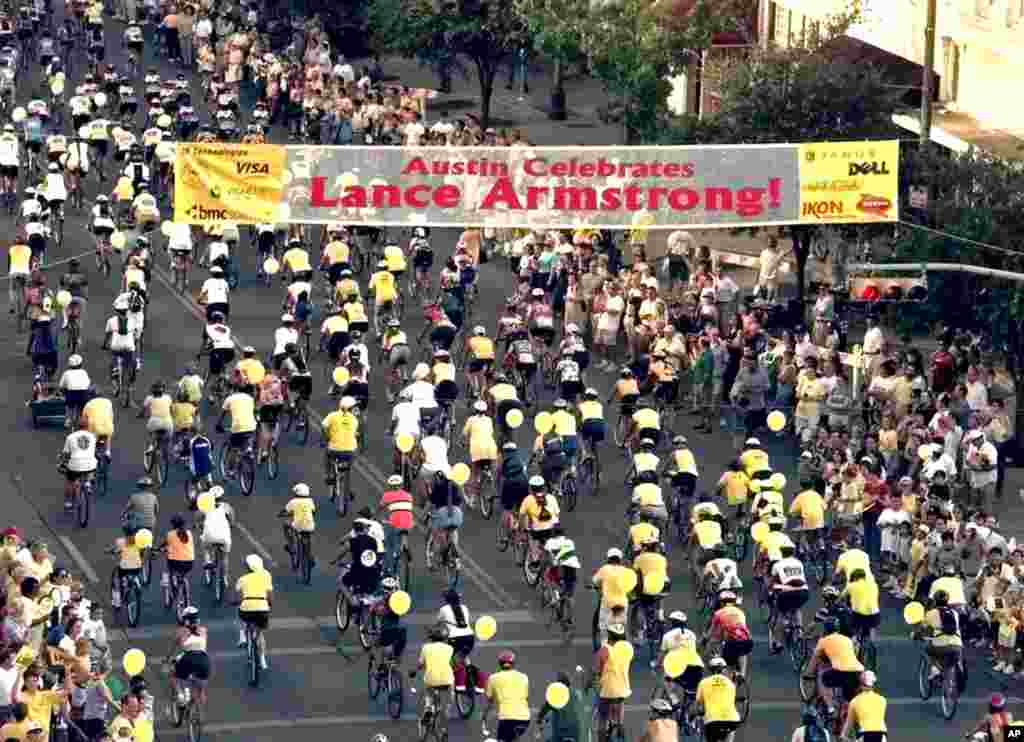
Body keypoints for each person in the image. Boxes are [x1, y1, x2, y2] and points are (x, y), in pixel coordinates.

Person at [806, 617, 864, 713]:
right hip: (858, 672)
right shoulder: (847, 639)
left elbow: (814, 658)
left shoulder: (823, 640)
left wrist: (808, 673)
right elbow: (854, 652)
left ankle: (830, 707)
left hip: (841, 671)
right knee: (848, 698)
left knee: (822, 677)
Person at [593, 622, 632, 740]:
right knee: (620, 702)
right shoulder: (628, 648)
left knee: (602, 718)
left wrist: (589, 683)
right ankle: (620, 726)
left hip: (608, 691)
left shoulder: (604, 650)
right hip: (623, 689)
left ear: (610, 635)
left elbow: (596, 671)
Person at [416, 623, 454, 740]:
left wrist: (415, 670)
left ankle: (428, 709)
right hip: (446, 681)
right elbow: (452, 664)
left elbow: (421, 664)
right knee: (446, 704)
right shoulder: (450, 648)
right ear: (445, 637)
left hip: (431, 680)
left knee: (429, 690)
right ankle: (444, 728)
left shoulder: (425, 648)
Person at [483, 650, 531, 742]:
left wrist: (484, 717)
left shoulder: (493, 678)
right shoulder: (524, 677)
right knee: (514, 737)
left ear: (500, 664)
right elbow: (526, 698)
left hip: (506, 719)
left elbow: (489, 702)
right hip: (525, 719)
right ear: (513, 664)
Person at [235, 554, 272, 668]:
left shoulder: (242, 579)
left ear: (248, 567)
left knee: (239, 611)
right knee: (260, 634)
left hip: (247, 609)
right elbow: (270, 595)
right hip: (262, 609)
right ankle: (262, 660)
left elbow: (237, 597)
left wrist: (234, 601)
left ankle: (242, 636)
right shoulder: (266, 576)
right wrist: (269, 605)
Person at [170, 606, 210, 707]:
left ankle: (180, 695)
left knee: (173, 676)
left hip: (188, 659)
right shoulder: (204, 630)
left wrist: (168, 659)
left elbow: (175, 648)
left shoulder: (181, 631)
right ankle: (200, 713)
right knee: (201, 691)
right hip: (203, 660)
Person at [695, 656, 740, 742]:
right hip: (732, 720)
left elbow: (699, 705)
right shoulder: (730, 683)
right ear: (724, 669)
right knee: (731, 728)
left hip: (712, 721)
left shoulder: (703, 682)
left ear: (710, 670)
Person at [60, 418, 97, 511]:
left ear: (77, 427)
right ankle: (88, 482)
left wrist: (63, 463)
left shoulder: (70, 437)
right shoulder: (93, 436)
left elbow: (66, 454)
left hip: (75, 464)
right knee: (92, 466)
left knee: (70, 481)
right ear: (87, 426)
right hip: (90, 465)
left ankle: (69, 502)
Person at [840, 670, 887, 742]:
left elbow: (848, 725)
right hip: (881, 734)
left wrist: (843, 736)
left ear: (860, 685)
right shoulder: (882, 700)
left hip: (865, 734)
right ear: (874, 685)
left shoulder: (854, 701)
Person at [199, 486, 233, 577]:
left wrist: (199, 526)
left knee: (205, 547)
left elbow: (199, 518)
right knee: (225, 557)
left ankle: (207, 561)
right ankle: (225, 577)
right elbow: (232, 520)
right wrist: (230, 524)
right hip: (224, 537)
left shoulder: (205, 506)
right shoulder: (226, 506)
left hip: (209, 536)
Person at [280, 482, 316, 558]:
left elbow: (285, 511)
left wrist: (281, 514)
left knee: (286, 524)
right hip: (310, 526)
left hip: (298, 525)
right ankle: (309, 556)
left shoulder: (293, 502)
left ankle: (291, 546)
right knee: (308, 533)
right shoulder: (310, 501)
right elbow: (313, 512)